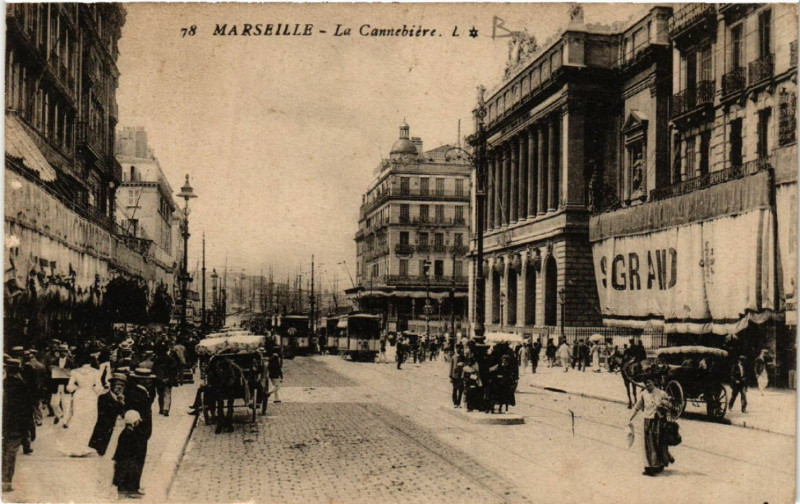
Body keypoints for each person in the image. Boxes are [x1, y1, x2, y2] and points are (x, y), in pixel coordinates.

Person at [58, 353, 103, 457]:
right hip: (90, 396)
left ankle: (72, 446)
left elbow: (69, 387)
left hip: (79, 395)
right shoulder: (96, 372)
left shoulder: (74, 372)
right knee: (89, 421)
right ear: (91, 362)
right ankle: (83, 446)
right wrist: (94, 391)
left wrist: (77, 388)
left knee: (77, 418)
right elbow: (99, 388)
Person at [629, 378, 674, 476]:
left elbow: (670, 406)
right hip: (648, 421)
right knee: (649, 444)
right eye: (645, 383)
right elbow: (637, 407)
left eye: (649, 382)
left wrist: (664, 404)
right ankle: (650, 467)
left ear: (654, 382)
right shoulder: (643, 394)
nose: (647, 384)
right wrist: (630, 418)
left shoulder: (661, 393)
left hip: (659, 421)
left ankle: (660, 463)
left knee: (659, 442)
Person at [3, 358, 31, 492]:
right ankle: (5, 482)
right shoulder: (22, 385)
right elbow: (26, 408)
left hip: (6, 423)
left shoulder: (4, 383)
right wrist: (28, 428)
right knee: (10, 452)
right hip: (15, 425)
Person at [125, 368, 154, 496]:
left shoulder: (140, 391)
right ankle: (132, 487)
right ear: (142, 380)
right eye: (147, 379)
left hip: (140, 431)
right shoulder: (137, 393)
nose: (149, 381)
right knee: (136, 459)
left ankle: (134, 485)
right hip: (139, 431)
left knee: (136, 458)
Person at [89, 373, 127, 456]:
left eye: (122, 385)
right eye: (117, 385)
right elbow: (103, 417)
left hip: (117, 434)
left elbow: (125, 416)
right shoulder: (103, 398)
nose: (120, 387)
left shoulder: (124, 399)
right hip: (105, 434)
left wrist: (122, 402)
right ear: (111, 385)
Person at [113, 410, 147, 499]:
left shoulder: (128, 432)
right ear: (134, 422)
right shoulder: (128, 435)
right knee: (130, 472)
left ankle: (133, 487)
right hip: (127, 461)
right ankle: (130, 490)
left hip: (126, 460)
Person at [49, 344, 75, 425]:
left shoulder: (71, 363)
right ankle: (59, 414)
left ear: (67, 352)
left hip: (66, 385)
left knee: (66, 404)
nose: (63, 353)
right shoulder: (54, 362)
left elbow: (74, 374)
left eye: (64, 351)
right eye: (61, 351)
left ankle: (65, 422)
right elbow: (50, 373)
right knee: (53, 403)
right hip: (56, 385)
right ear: (59, 352)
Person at [152, 346, 178, 416]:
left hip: (159, 380)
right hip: (168, 380)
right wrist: (170, 378)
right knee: (167, 394)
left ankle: (161, 409)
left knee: (160, 395)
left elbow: (154, 370)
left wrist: (160, 378)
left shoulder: (157, 360)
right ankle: (166, 409)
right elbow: (174, 370)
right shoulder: (171, 359)